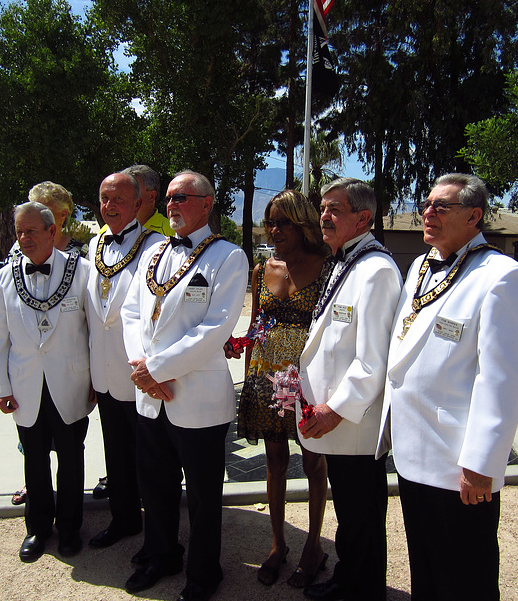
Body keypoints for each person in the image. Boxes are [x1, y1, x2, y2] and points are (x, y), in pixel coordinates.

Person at [378, 173, 518, 601]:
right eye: (427, 204)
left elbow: (502, 377)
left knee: (466, 576)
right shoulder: (421, 265)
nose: (428, 213)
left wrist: (482, 462)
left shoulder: (503, 276)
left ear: (474, 216)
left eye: (441, 206)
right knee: (425, 568)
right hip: (413, 450)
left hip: (457, 459)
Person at [121, 170, 248, 601]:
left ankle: (203, 574)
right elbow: (131, 314)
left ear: (208, 203)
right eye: (169, 198)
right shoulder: (154, 252)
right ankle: (161, 555)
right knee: (154, 487)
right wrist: (142, 368)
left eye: (183, 197)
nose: (172, 205)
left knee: (202, 496)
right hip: (150, 395)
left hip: (196, 399)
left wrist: (155, 368)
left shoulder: (229, 257)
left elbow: (215, 329)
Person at [297, 178, 402, 601]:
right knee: (351, 512)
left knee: (361, 515)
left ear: (363, 217)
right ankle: (349, 579)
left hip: (352, 422)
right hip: (335, 421)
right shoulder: (345, 261)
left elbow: (373, 361)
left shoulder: (375, 270)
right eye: (323, 208)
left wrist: (334, 409)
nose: (324, 216)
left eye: (334, 210)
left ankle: (363, 589)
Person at [228, 190, 331, 588]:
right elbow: (257, 321)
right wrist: (239, 344)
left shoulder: (325, 266)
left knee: (313, 460)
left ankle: (315, 546)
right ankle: (277, 544)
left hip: (307, 379)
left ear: (302, 223)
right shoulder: (262, 268)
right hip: (266, 375)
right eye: (270, 222)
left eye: (282, 222)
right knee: (274, 462)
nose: (274, 229)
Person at [0, 202, 94, 563]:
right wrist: (1, 387)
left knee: (71, 457)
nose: (24, 238)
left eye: (31, 231)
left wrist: (97, 380)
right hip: (25, 385)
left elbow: (93, 331)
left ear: (52, 231)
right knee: (34, 459)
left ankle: (69, 528)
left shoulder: (82, 272)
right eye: (19, 231)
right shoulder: (4, 278)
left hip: (71, 382)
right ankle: (36, 528)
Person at [86, 171, 165, 549]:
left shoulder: (158, 246)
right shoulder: (93, 245)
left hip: (140, 373)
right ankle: (124, 519)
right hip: (103, 371)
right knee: (115, 455)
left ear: (138, 204)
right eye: (104, 199)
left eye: (118, 199)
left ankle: (157, 534)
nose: (109, 206)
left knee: (150, 460)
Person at [6, 181, 88, 507]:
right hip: (29, 371)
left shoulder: (79, 257)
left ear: (62, 217)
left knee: (69, 449)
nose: (33, 219)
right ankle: (36, 496)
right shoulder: (17, 254)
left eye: (43, 211)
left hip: (67, 373)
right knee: (33, 446)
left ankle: (69, 520)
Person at [6, 181, 89, 262]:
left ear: (63, 215)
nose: (36, 217)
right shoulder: (18, 250)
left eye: (44, 212)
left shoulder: (82, 254)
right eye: (33, 211)